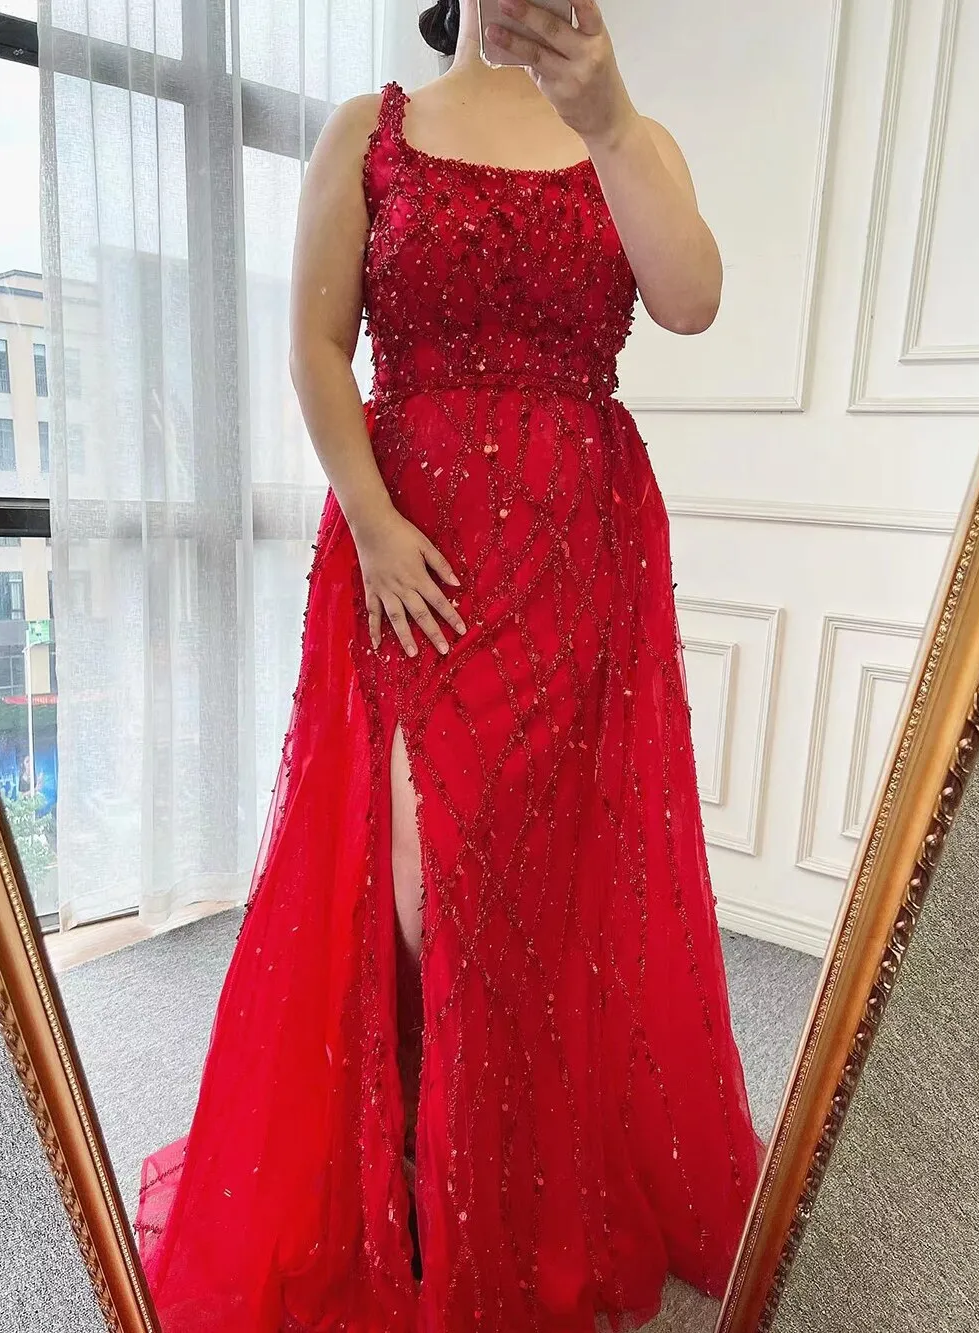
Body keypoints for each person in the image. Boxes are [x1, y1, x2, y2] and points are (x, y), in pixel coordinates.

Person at [135, 2, 765, 1329]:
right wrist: (371, 525)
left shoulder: (626, 135)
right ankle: (409, 1153)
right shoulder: (371, 131)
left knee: (528, 878)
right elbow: (317, 347)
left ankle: (499, 1184)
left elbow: (694, 300)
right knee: (419, 874)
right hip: (411, 554)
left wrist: (607, 119)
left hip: (571, 557)